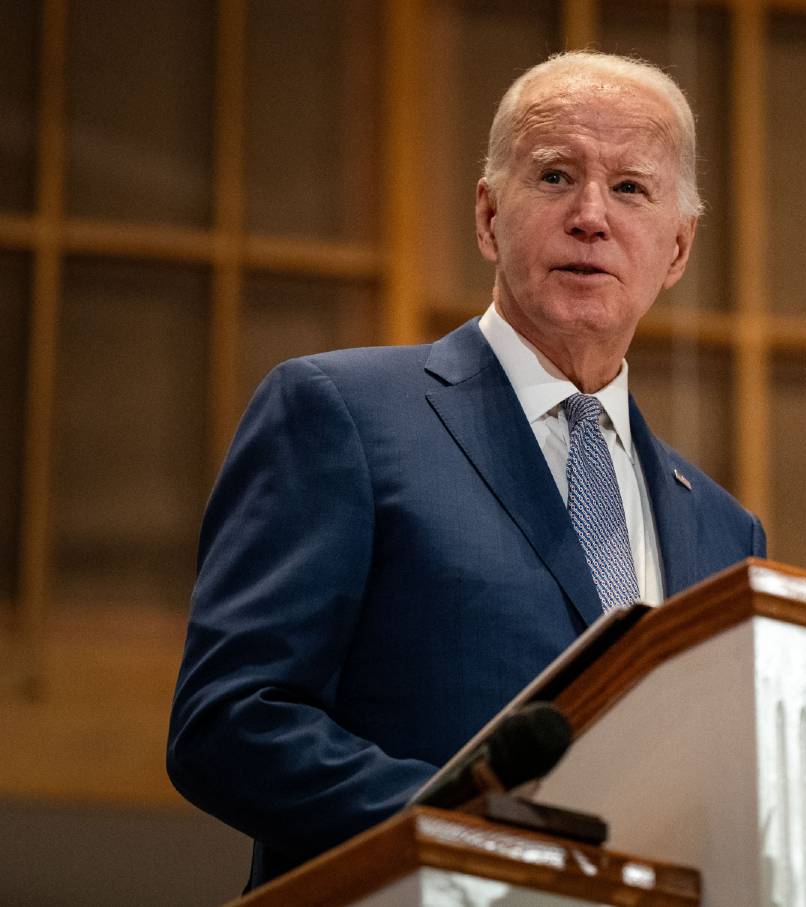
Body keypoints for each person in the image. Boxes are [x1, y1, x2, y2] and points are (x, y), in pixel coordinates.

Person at [167, 51, 765, 890]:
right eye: (556, 176)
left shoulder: (725, 530)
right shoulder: (343, 412)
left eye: (631, 188)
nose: (592, 215)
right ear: (488, 216)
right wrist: (468, 833)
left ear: (678, 246)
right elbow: (228, 721)